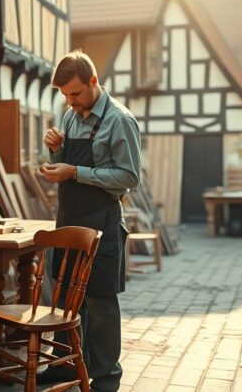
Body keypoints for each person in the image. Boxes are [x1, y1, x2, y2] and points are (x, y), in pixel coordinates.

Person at [39, 49, 141, 392]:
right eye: (65, 95)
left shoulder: (119, 119)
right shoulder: (70, 116)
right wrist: (55, 152)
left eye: (76, 93)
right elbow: (66, 162)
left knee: (100, 300)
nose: (70, 101)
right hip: (69, 218)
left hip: (103, 222)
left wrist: (76, 171)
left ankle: (107, 377)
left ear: (93, 82)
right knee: (67, 294)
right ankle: (66, 365)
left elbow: (129, 176)